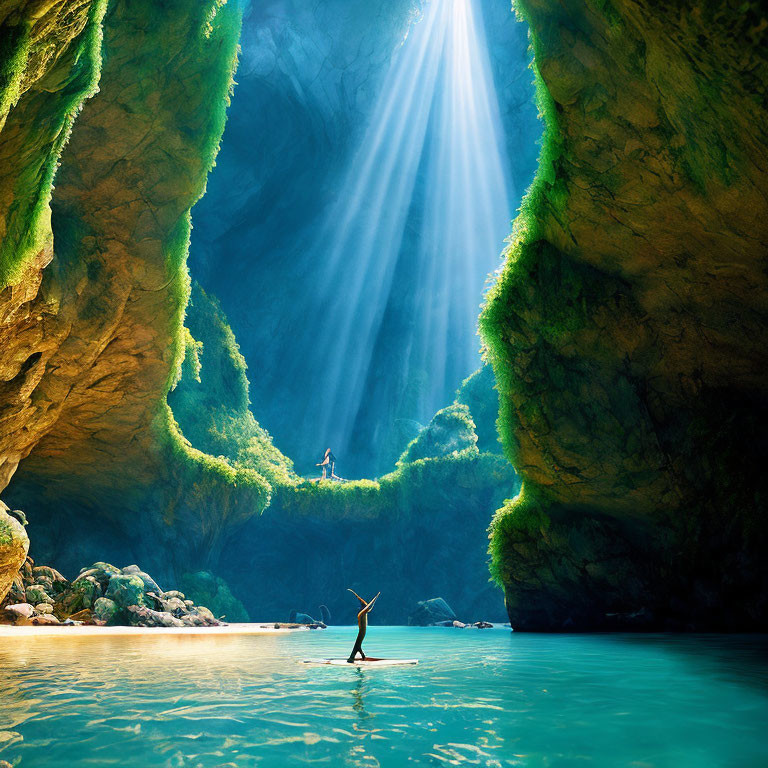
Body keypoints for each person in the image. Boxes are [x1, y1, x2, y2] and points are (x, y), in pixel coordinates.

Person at [347, 589, 380, 663]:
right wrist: (354, 593)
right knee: (357, 646)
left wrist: (375, 598)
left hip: (362, 633)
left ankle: (356, 657)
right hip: (361, 632)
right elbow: (366, 604)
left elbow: (369, 606)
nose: (362, 608)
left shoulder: (364, 612)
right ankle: (356, 657)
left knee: (357, 646)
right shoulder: (361, 613)